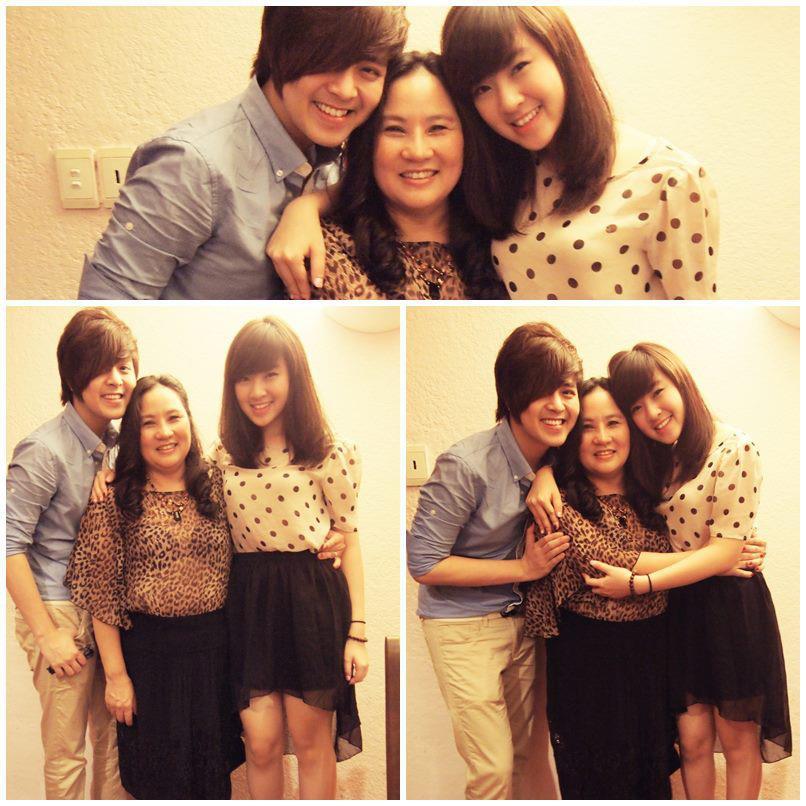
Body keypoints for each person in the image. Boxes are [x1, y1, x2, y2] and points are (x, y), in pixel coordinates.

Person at [529, 344, 791, 799]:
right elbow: (615, 552)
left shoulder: (730, 448)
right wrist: (543, 472)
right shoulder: (657, 461)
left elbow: (716, 545)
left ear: (680, 382)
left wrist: (721, 555)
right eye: (636, 407)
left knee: (736, 742)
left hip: (728, 609)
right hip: (676, 612)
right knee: (691, 743)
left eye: (657, 393)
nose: (650, 412)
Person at [78, 7, 408, 300]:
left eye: (368, 70)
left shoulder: (339, 146)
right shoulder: (191, 165)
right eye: (327, 59)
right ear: (281, 51)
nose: (345, 90)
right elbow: (107, 302)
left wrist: (308, 205)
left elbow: (366, 193)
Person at [406, 322, 580, 799]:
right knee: (493, 770)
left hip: (523, 621)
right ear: (512, 394)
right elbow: (424, 564)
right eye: (542, 391)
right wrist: (524, 569)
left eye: (567, 391)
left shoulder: (559, 454)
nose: (558, 405)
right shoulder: (465, 465)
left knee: (523, 759)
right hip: (461, 626)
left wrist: (547, 471)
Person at [440, 7, 719, 300]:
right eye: (482, 88)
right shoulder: (508, 176)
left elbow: (695, 309)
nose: (508, 101)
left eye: (518, 67)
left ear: (560, 51)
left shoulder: (670, 179)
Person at [65, 376, 245, 799]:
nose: (164, 432)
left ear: (188, 421)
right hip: (147, 661)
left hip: (215, 658)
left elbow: (263, 535)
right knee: (154, 783)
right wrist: (116, 678)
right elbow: (101, 594)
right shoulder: (115, 496)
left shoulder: (218, 485)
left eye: (173, 417)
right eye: (149, 423)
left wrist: (329, 538)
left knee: (212, 780)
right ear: (134, 433)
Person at [215, 317, 367, 799]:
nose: (257, 391)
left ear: (293, 376)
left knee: (311, 744)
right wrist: (109, 469)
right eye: (244, 377)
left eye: (270, 375)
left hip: (311, 601)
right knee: (260, 744)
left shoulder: (328, 451)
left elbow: (349, 540)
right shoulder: (222, 454)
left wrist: (358, 633)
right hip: (248, 602)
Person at [6, 307, 137, 799]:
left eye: (124, 366)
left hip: (109, 612)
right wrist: (47, 634)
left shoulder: (121, 445)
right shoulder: (43, 449)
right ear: (74, 375)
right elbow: (9, 545)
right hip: (60, 610)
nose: (116, 380)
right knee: (66, 756)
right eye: (102, 368)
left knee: (114, 748)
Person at [314, 51, 504, 300]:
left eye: (437, 128)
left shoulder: (506, 247)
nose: (417, 151)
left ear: (467, 138)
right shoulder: (326, 250)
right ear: (367, 143)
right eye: (395, 129)